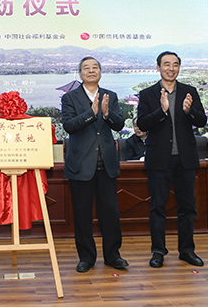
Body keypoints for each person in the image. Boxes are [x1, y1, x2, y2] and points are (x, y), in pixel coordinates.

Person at [137, 51, 207, 268]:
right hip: (159, 159)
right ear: (158, 68)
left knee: (188, 208)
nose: (171, 68)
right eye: (166, 64)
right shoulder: (148, 94)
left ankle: (187, 250)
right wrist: (162, 111)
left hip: (185, 159)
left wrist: (189, 111)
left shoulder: (189, 91)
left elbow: (202, 120)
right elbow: (142, 123)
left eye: (175, 64)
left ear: (179, 68)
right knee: (158, 207)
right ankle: (158, 251)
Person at [61, 56, 128, 273]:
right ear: (80, 74)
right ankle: (86, 258)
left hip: (106, 164)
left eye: (95, 67)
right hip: (81, 165)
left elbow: (119, 124)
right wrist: (91, 113)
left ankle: (113, 256)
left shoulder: (111, 95)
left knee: (110, 213)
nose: (91, 71)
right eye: (86, 68)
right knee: (82, 214)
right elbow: (69, 126)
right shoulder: (69, 98)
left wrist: (106, 114)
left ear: (100, 72)